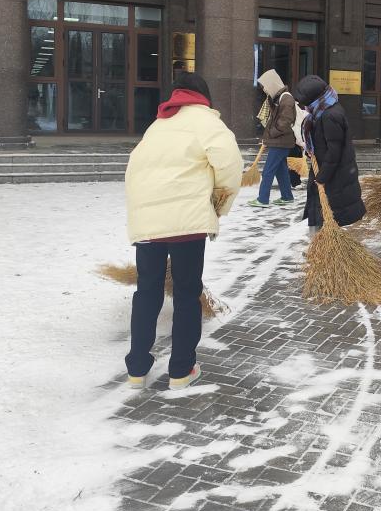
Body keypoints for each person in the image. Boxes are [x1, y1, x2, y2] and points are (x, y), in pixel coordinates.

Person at [123, 73, 243, 391]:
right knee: (187, 294)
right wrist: (219, 204)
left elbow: (133, 169)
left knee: (146, 292)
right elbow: (230, 166)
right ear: (203, 96)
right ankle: (181, 370)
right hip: (187, 223)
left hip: (148, 223)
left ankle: (136, 369)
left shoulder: (157, 126)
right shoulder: (208, 122)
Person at [292, 75, 365, 233]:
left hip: (334, 177)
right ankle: (319, 243)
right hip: (327, 172)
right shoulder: (323, 111)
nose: (304, 106)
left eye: (305, 103)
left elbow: (334, 152)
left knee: (327, 218)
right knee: (319, 216)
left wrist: (322, 178)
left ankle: (322, 244)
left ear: (313, 99)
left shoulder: (329, 116)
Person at [249, 69, 297, 208]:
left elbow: (284, 122)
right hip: (281, 141)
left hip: (281, 141)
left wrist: (272, 134)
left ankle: (263, 199)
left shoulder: (286, 99)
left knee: (268, 171)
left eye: (265, 86)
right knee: (281, 171)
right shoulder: (278, 98)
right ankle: (287, 197)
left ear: (272, 84)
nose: (264, 89)